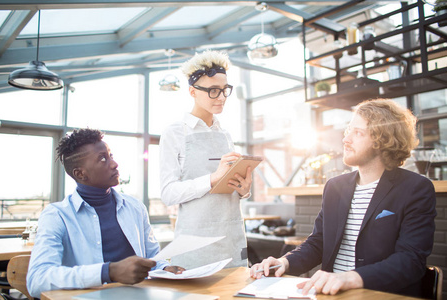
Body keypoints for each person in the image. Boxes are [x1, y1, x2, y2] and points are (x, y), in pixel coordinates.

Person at [250, 99, 436, 298]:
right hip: (330, 294)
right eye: (348, 130)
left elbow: (410, 261)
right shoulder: (335, 186)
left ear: (383, 140)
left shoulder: (415, 188)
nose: (346, 139)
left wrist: (350, 278)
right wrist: (284, 262)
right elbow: (318, 243)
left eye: (358, 133)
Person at [27, 128, 184, 298]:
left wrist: (164, 268)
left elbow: (153, 258)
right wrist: (108, 272)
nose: (114, 163)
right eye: (103, 159)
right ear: (80, 174)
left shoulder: (135, 207)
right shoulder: (56, 216)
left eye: (111, 155)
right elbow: (37, 280)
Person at [159, 50, 252, 269]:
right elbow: (168, 194)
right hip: (194, 246)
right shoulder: (175, 133)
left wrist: (244, 190)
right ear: (192, 91)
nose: (221, 97)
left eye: (224, 90)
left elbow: (230, 188)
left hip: (231, 239)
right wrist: (212, 178)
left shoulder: (225, 134)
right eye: (213, 91)